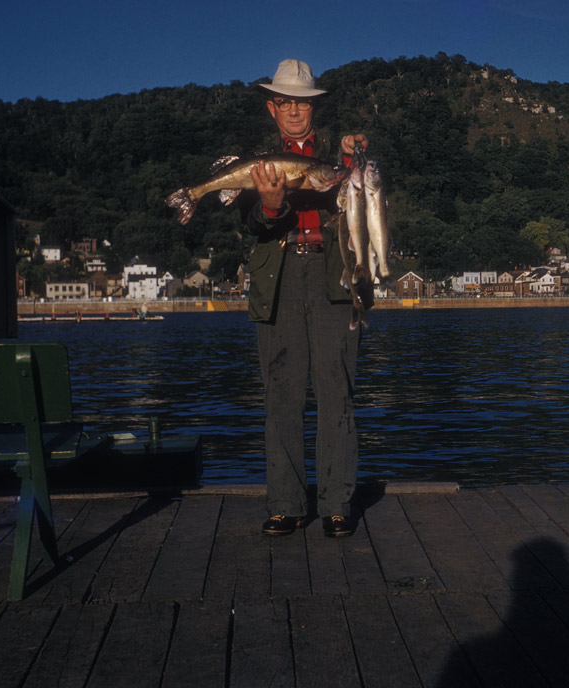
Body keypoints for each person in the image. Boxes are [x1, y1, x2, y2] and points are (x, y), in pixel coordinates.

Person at [241, 59, 368, 538]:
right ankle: (287, 504)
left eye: (303, 102)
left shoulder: (337, 157)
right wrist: (270, 205)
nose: (294, 110)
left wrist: (354, 158)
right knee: (282, 393)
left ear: (314, 106)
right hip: (278, 278)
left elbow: (362, 191)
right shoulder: (257, 161)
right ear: (273, 108)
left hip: (334, 273)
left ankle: (336, 503)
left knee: (337, 390)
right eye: (285, 102)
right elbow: (249, 224)